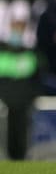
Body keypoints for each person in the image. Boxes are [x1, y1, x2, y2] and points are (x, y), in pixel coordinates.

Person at [0, 17, 41, 160]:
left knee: (21, 133)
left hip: (22, 103)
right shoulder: (2, 52)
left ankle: (20, 159)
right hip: (4, 102)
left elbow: (37, 79)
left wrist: (31, 97)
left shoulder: (30, 54)